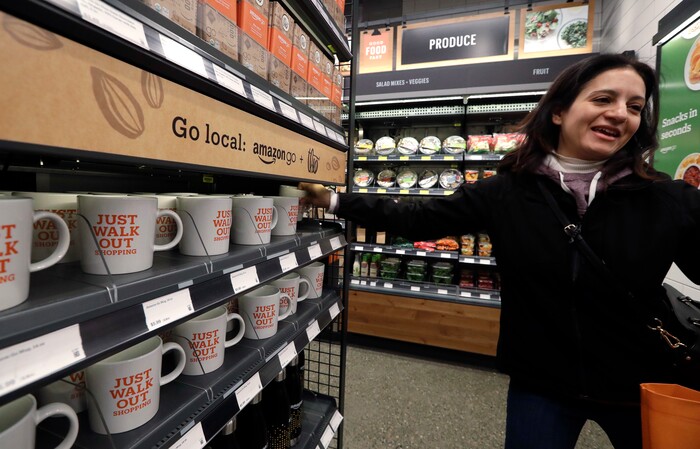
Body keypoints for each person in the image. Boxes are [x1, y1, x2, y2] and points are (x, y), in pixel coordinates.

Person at [299, 53, 700, 449]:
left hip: (641, 382)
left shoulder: (668, 198)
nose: (619, 114)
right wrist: (335, 201)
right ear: (559, 112)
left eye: (634, 107)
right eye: (603, 99)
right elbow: (419, 217)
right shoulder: (508, 191)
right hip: (541, 383)